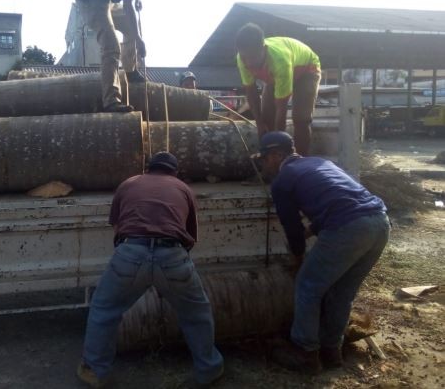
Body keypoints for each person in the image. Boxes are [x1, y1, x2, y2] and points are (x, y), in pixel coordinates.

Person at [77, 152, 224, 388]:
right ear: (174, 171)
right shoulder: (183, 188)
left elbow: (117, 225)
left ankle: (94, 371)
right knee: (197, 314)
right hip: (172, 254)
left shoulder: (129, 183)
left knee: (104, 310)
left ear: (149, 168)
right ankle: (209, 369)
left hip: (131, 252)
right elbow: (191, 237)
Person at [255, 131, 390, 373]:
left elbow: (291, 226)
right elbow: (340, 198)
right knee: (342, 292)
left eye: (263, 159)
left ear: (277, 155)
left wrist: (298, 257)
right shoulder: (320, 163)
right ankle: (331, 350)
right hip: (379, 222)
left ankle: (305, 352)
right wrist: (313, 229)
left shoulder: (283, 180)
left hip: (349, 227)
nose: (262, 164)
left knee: (308, 286)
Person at [75, 0, 187, 113]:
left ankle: (130, 71)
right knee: (111, 45)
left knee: (129, 27)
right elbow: (127, 4)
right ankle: (111, 101)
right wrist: (139, 38)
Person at [235, 23, 321, 155]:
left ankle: (300, 161)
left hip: (306, 69)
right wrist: (259, 124)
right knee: (266, 117)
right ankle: (271, 162)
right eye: (245, 57)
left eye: (252, 57)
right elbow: (251, 92)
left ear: (263, 49)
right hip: (275, 76)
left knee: (300, 119)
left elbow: (281, 109)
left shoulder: (280, 60)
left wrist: (277, 146)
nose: (249, 63)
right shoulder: (242, 59)